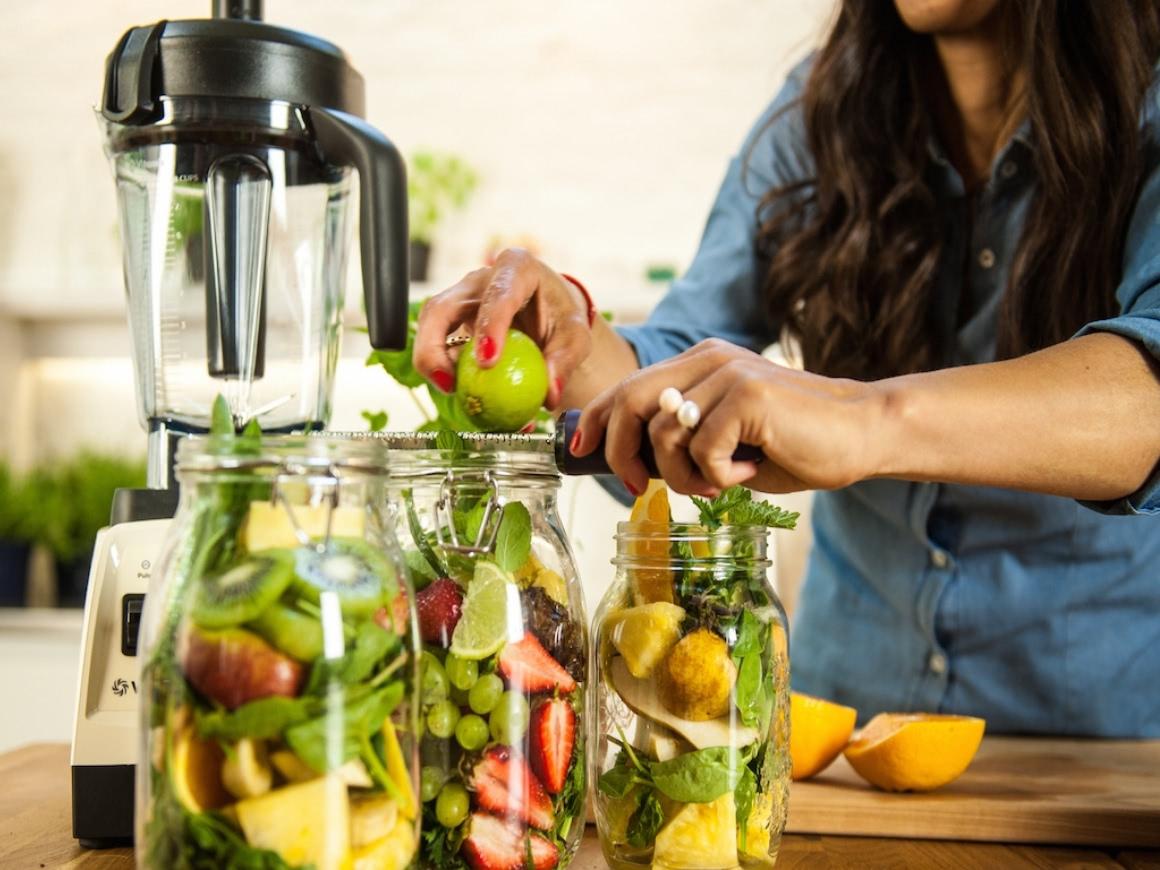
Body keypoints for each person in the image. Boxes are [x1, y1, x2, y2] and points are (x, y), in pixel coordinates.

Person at [412, 0, 1160, 737]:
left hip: (1102, 758)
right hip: (833, 746)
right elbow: (679, 365)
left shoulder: (1147, 98)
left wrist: (863, 418)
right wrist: (569, 344)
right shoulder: (824, 107)